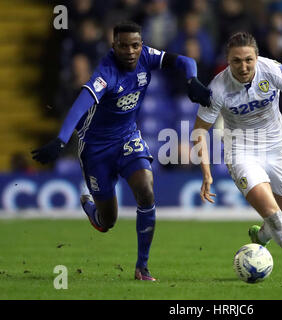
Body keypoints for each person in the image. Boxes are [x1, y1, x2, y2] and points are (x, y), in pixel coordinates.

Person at [31, 21, 211, 281]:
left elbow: (184, 61)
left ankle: (142, 267)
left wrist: (192, 80)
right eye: (123, 45)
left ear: (141, 45)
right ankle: (90, 206)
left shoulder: (147, 56)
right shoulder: (106, 73)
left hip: (127, 138)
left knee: (146, 190)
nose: (130, 51)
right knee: (108, 222)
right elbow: (80, 106)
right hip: (96, 149)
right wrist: (60, 140)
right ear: (113, 45)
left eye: (135, 45)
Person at [193, 32, 282, 283]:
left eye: (248, 60)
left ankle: (261, 237)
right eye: (236, 61)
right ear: (228, 61)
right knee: (275, 217)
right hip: (241, 152)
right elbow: (199, 131)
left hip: (276, 148)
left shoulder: (272, 69)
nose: (243, 67)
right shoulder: (217, 88)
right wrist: (207, 173)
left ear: (256, 57)